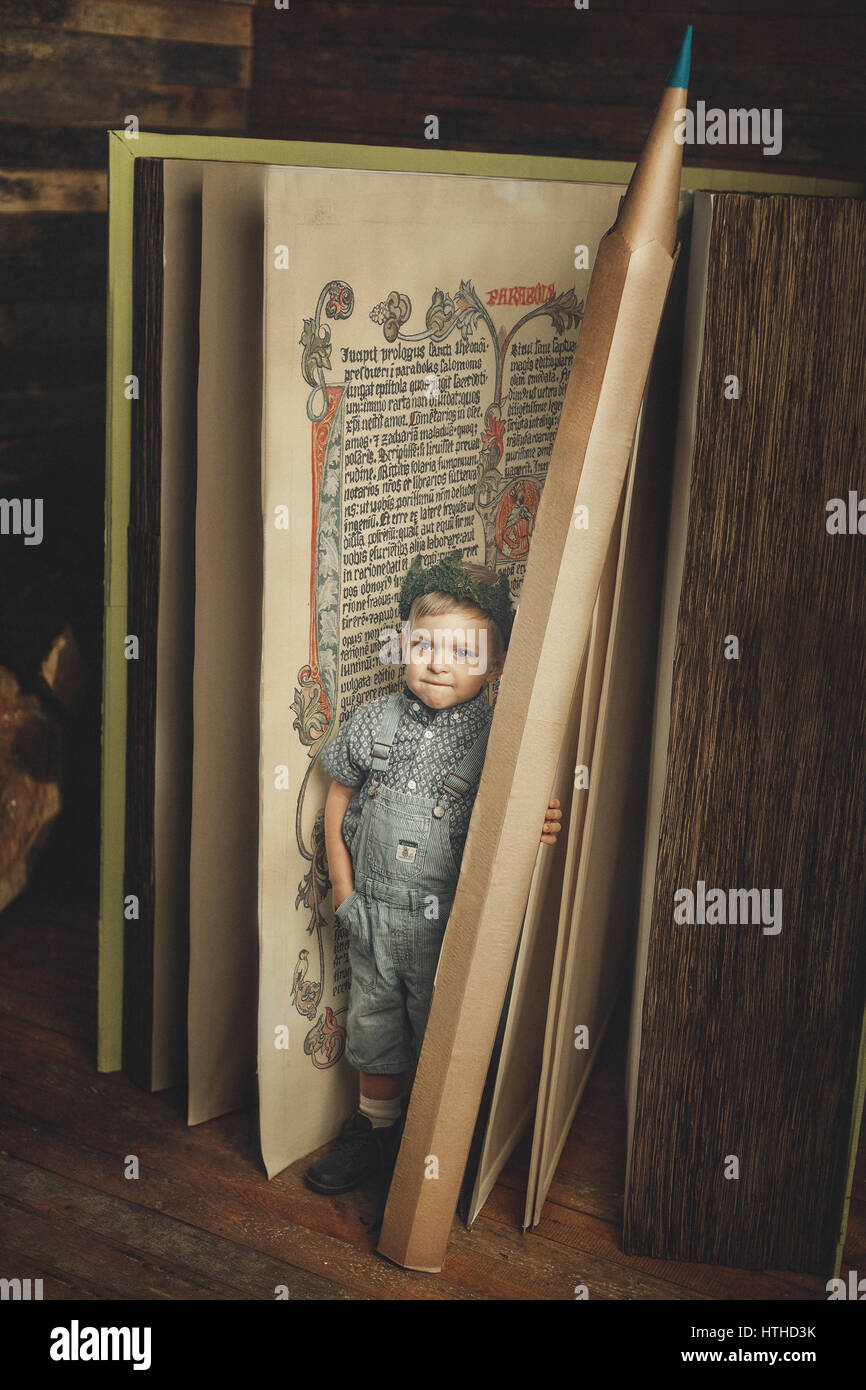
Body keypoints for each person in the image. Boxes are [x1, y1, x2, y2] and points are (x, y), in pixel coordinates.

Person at [305, 552, 562, 1194]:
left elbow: (515, 815)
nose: (438, 662)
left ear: (497, 664)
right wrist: (344, 891)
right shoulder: (376, 722)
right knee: (375, 1025)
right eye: (424, 645)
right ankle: (376, 1130)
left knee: (447, 1032)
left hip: (450, 924)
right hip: (373, 915)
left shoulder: (499, 741)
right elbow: (336, 804)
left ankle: (442, 1139)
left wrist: (539, 818)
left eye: (461, 650)